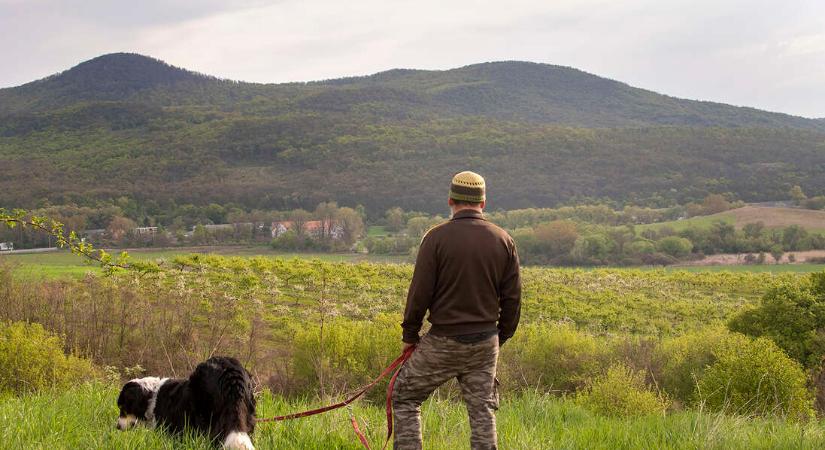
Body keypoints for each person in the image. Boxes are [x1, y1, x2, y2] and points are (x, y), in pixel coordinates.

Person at [392, 171, 522, 450]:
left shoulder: (435, 238)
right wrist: (499, 338)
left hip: (442, 342)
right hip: (485, 343)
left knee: (404, 396)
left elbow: (420, 292)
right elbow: (512, 301)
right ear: (483, 204)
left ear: (450, 200)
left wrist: (410, 335)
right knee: (482, 411)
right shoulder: (504, 240)